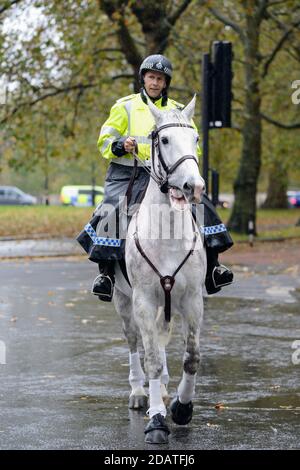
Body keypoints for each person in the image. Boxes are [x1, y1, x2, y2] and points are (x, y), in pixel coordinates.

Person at [77, 54, 233, 301]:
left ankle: (213, 267)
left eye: (160, 79)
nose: (155, 82)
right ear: (143, 79)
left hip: (168, 174)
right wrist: (119, 144)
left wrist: (184, 166)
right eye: (151, 77)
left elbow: (192, 146)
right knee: (112, 209)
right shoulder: (124, 106)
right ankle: (106, 274)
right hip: (128, 172)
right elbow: (104, 140)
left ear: (165, 83)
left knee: (200, 203)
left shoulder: (178, 110)